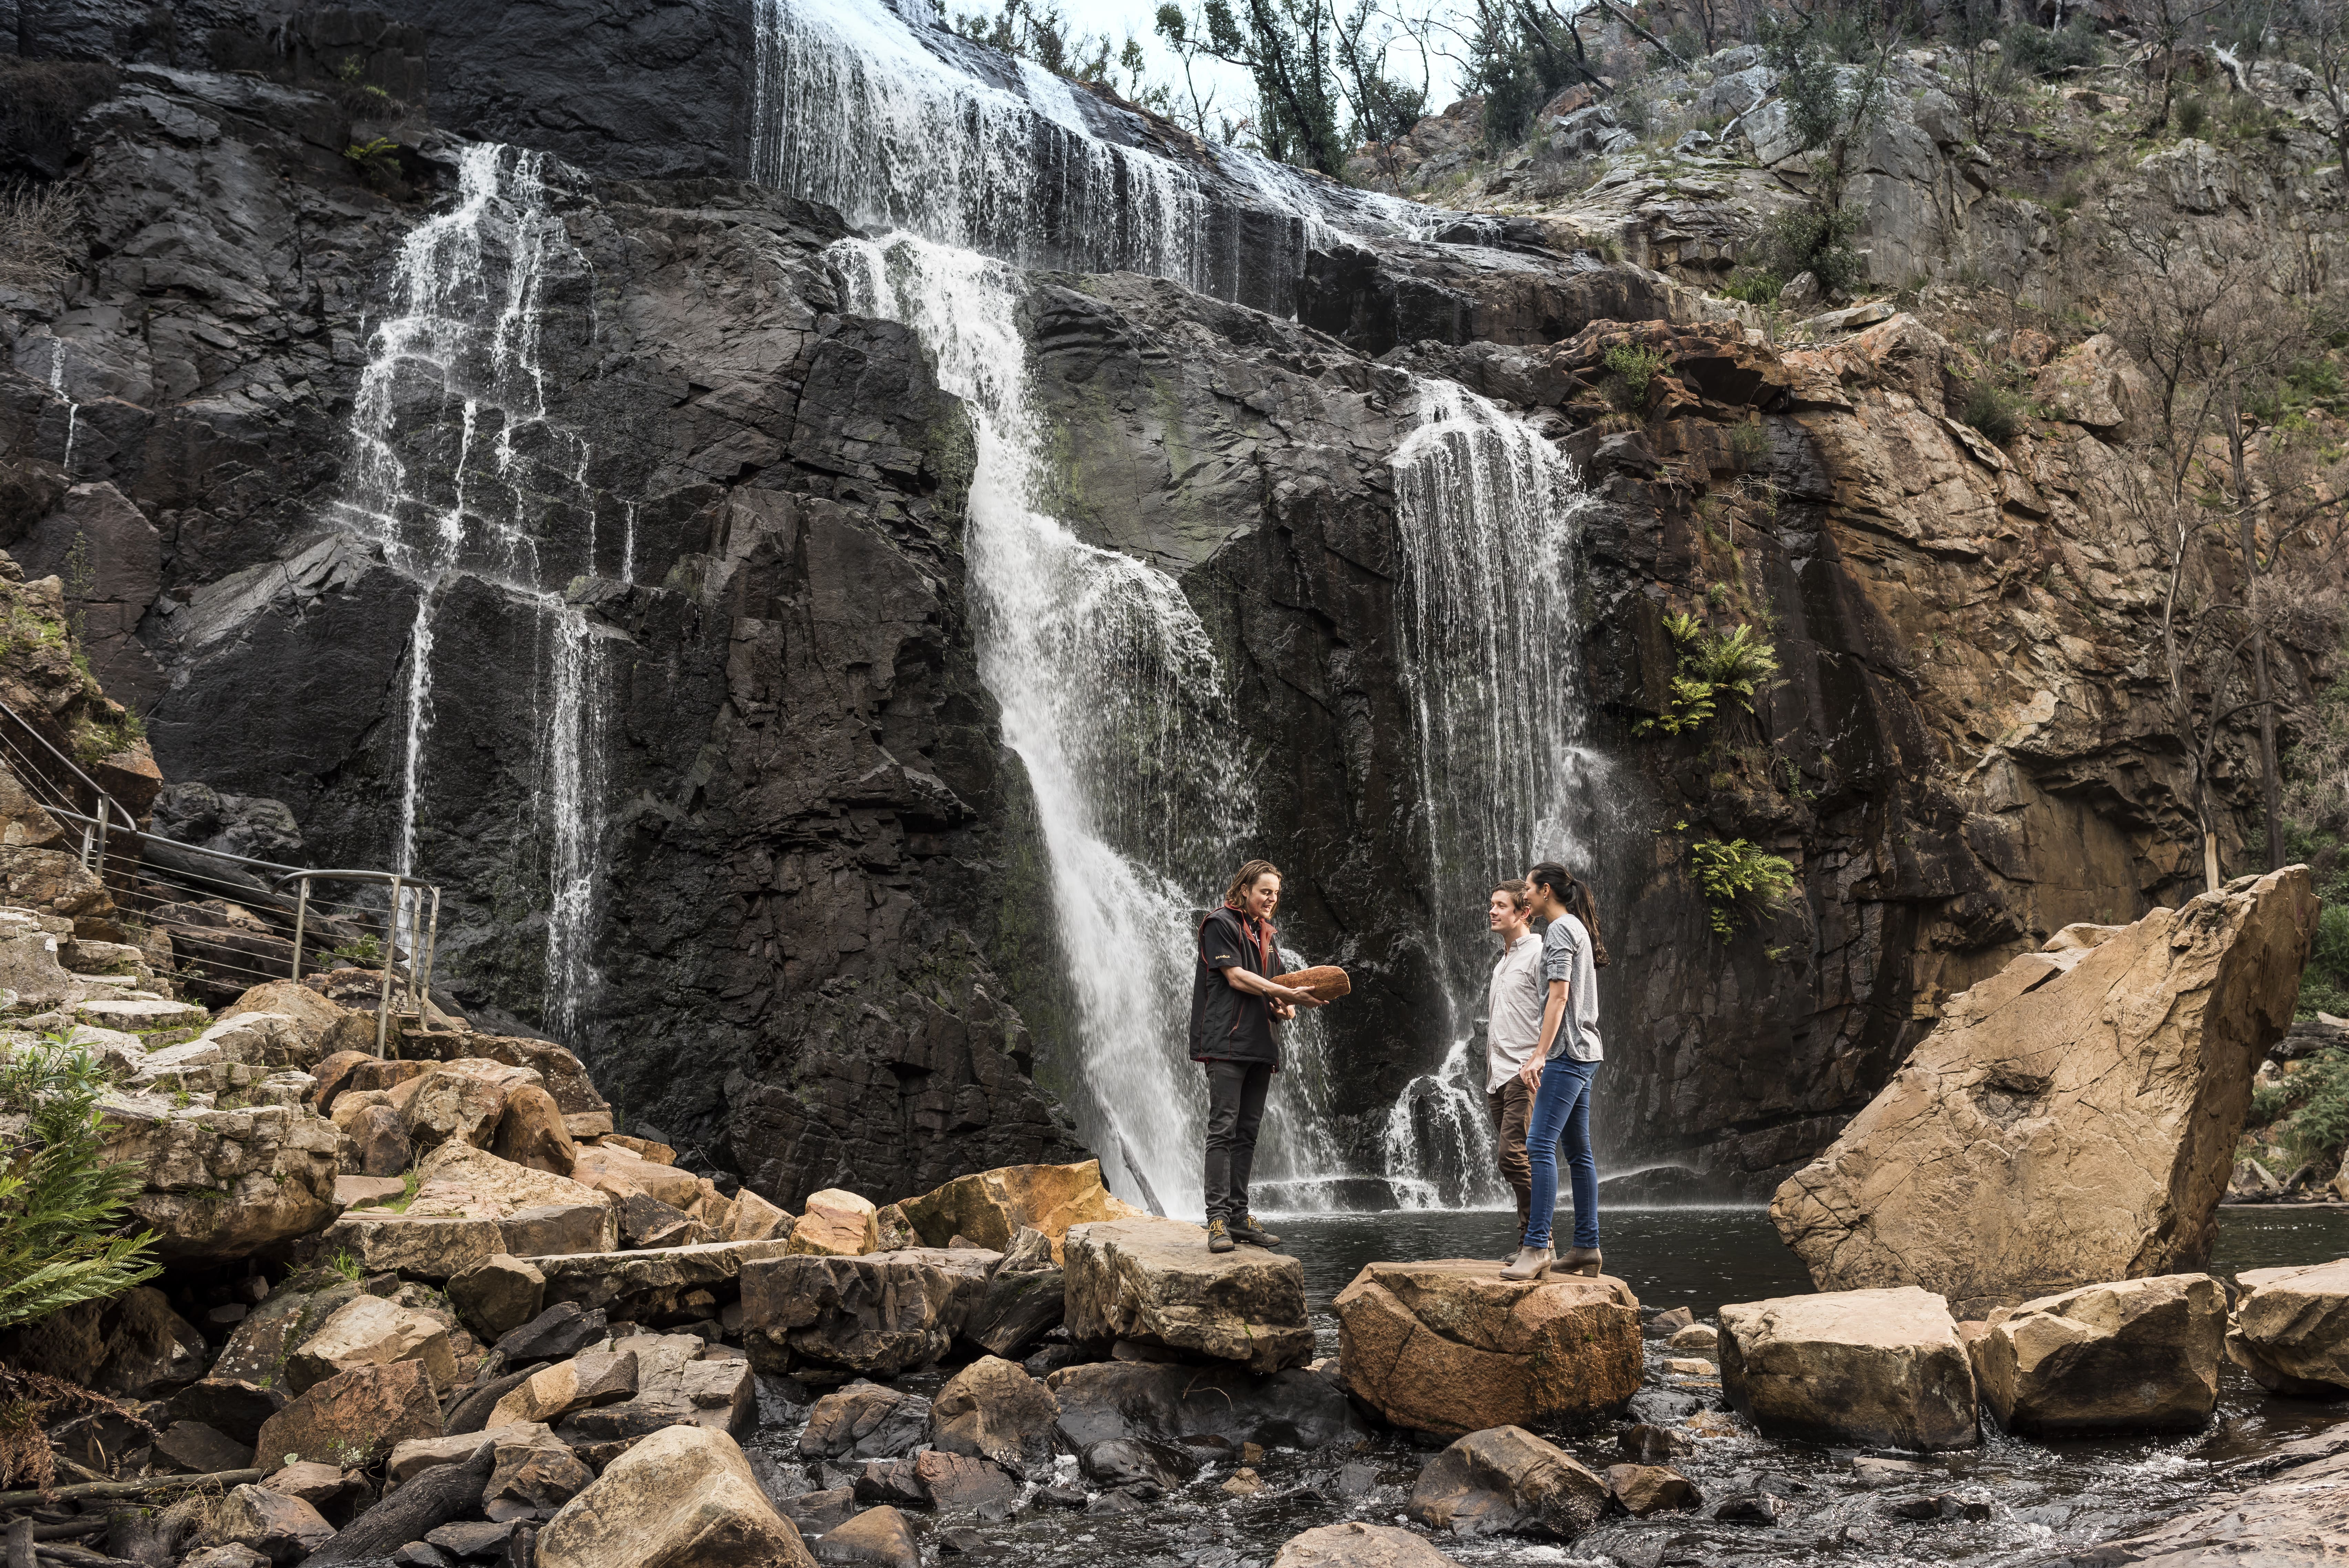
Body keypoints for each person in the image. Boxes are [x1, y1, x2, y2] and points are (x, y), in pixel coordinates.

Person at [1190, 859, 1323, 1254]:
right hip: (1226, 1044)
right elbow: (1235, 977)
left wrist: (1289, 1005)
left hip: (1260, 1047)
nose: (1271, 899)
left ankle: (1238, 1215)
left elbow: (1280, 987)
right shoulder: (1220, 924)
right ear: (1244, 888)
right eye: (1265, 891)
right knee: (1223, 1129)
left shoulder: (1266, 936)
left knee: (1247, 1134)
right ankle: (1216, 1218)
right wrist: (1279, 993)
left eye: (1276, 894)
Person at [1501, 861, 1609, 1281]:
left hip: (1567, 1054)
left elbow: (1559, 997)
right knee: (1579, 1154)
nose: (1523, 894)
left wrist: (1538, 1055)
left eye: (1527, 888)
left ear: (1545, 891)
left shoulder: (1560, 930)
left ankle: (1536, 1247)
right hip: (1587, 1050)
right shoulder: (1576, 927)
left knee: (1538, 1145)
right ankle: (1586, 1247)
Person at [1483, 879, 1543, 1242]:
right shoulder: (1502, 962)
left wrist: (1539, 1058)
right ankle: (1530, 1237)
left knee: (1511, 1155)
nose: (1492, 911)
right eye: (1492, 904)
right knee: (1517, 1158)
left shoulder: (1538, 953)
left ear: (1524, 912)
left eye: (1501, 905)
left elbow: (1558, 1006)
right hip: (1497, 1076)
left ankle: (1539, 1238)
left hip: (1524, 1071)